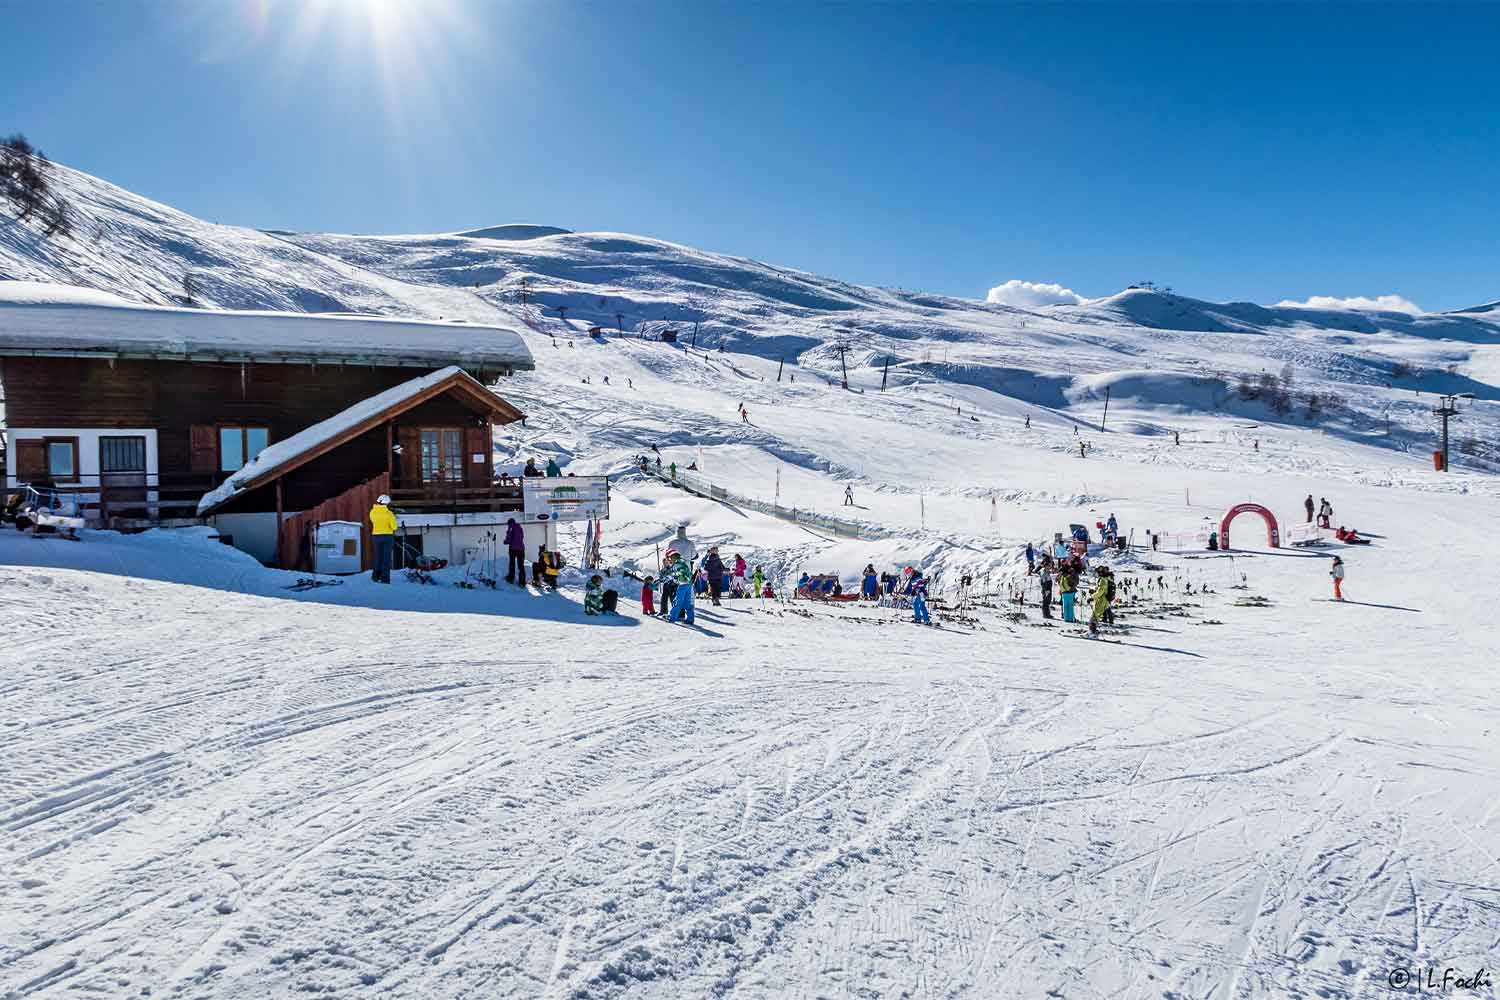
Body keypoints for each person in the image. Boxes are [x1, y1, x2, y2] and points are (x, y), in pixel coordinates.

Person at [369, 493, 397, 584]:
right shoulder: (389, 514)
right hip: (387, 536)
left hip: (376, 536)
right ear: (387, 503)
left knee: (378, 557)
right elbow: (394, 527)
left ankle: (375, 577)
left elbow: (373, 521)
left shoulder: (372, 512)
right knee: (386, 558)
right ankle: (385, 579)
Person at [664, 551, 695, 624]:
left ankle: (672, 617)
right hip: (689, 585)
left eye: (670, 558)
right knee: (688, 602)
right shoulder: (683, 563)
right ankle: (690, 619)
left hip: (682, 585)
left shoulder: (677, 565)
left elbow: (674, 574)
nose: (670, 560)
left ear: (674, 558)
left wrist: (671, 578)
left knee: (678, 601)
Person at [504, 517, 526, 585]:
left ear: (509, 523)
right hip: (521, 549)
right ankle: (522, 582)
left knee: (512, 564)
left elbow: (509, 539)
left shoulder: (511, 528)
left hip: (513, 549)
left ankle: (511, 579)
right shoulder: (520, 528)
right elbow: (522, 537)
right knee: (521, 565)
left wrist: (505, 541)